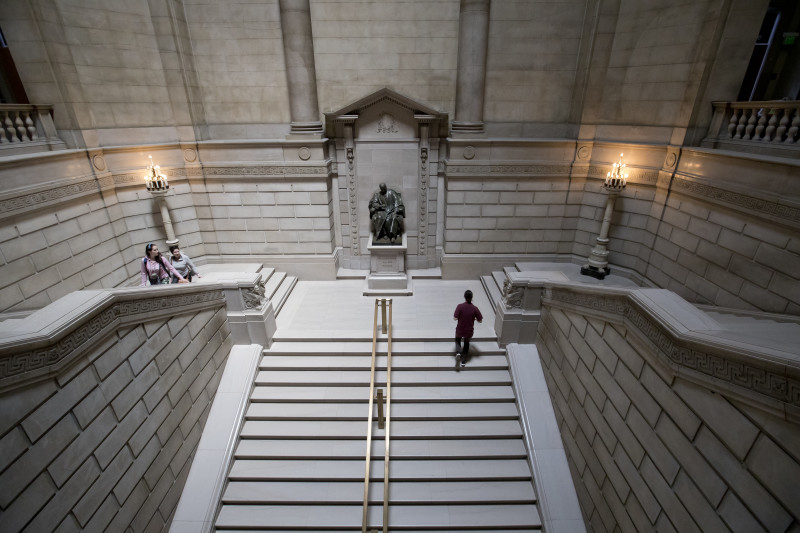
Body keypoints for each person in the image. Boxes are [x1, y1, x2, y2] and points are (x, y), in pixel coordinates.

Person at [454, 289, 483, 370]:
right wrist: (474, 318)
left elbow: (455, 318)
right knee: (466, 344)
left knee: (457, 339)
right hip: (469, 331)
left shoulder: (460, 306)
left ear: (464, 297)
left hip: (460, 329)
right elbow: (480, 320)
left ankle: (458, 352)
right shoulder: (475, 308)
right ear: (472, 297)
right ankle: (463, 361)